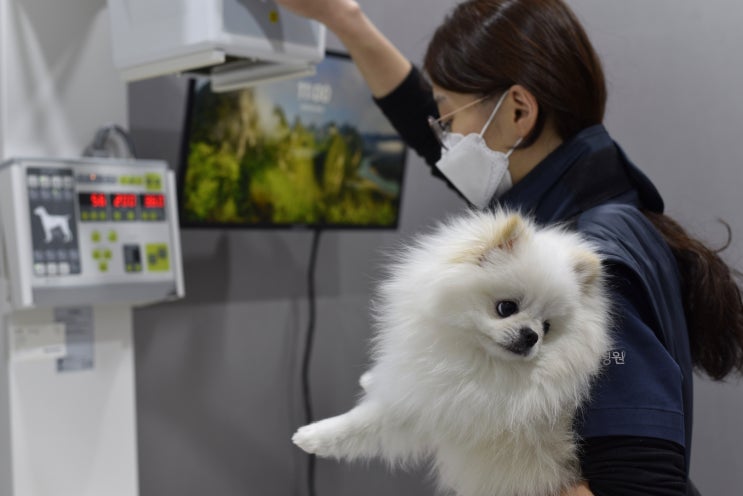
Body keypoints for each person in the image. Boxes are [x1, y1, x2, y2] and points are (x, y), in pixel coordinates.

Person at [275, 0, 743, 494]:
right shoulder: (580, 213)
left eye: (449, 118)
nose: (445, 138)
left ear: (518, 110)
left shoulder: (587, 261)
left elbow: (642, 486)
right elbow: (426, 128)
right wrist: (345, 20)